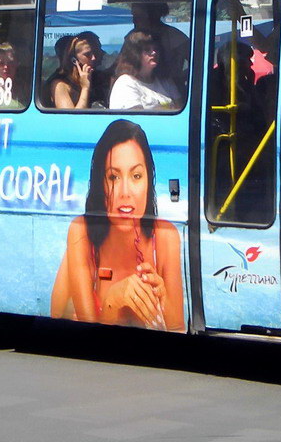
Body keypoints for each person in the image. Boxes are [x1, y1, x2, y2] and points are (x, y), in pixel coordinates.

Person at [50, 120, 184, 331]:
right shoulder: (82, 232)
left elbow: (177, 328)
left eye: (136, 176)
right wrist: (113, 300)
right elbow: (91, 337)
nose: (125, 192)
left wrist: (162, 298)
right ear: (100, 183)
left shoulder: (166, 238)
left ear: (149, 181)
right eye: (113, 177)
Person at [109, 30, 182, 111]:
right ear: (134, 54)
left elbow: (179, 107)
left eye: (156, 49)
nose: (154, 53)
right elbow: (135, 119)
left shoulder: (165, 81)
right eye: (147, 49)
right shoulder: (126, 83)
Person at [131, 1, 189, 85]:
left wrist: (180, 77)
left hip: (171, 89)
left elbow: (198, 63)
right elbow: (120, 63)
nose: (134, 20)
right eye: (134, 16)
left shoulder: (175, 37)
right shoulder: (132, 37)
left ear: (153, 15)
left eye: (138, 16)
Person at [48, 32, 109, 109]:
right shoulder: (60, 85)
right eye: (87, 54)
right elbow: (72, 119)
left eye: (95, 52)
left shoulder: (96, 77)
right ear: (74, 59)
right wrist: (85, 88)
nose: (93, 58)